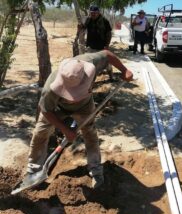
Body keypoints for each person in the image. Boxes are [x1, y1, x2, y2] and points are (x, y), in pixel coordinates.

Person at [26, 50, 133, 189]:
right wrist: (65, 130)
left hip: (84, 106)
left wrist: (124, 70)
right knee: (40, 133)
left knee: (90, 133)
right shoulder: (50, 89)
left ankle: (96, 170)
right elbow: (46, 110)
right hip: (56, 109)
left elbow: (107, 54)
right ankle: (33, 172)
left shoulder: (90, 62)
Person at [82, 5, 113, 78]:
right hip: (91, 46)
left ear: (98, 12)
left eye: (94, 13)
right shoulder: (88, 19)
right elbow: (84, 27)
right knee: (91, 64)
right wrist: (80, 27)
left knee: (107, 62)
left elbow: (109, 33)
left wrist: (107, 45)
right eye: (91, 13)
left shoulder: (105, 21)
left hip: (101, 46)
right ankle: (91, 79)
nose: (93, 14)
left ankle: (111, 77)